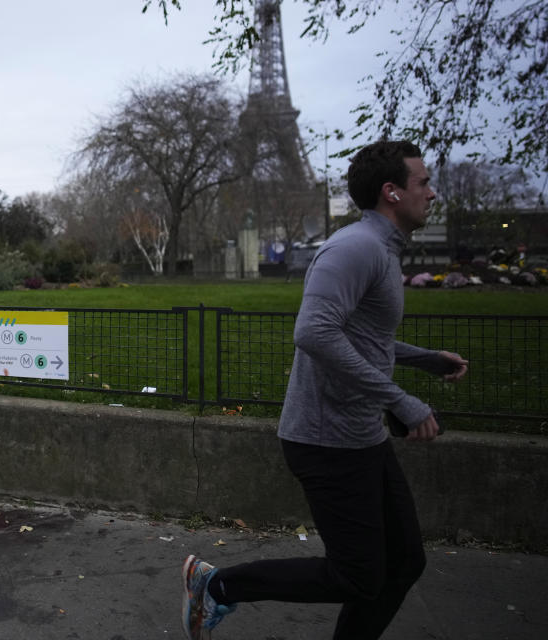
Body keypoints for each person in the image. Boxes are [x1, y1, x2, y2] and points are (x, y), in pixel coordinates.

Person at [181, 140, 469, 640]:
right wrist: (400, 400)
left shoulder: (378, 249)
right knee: (358, 575)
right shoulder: (355, 247)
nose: (433, 192)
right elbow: (314, 332)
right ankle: (219, 586)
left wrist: (425, 360)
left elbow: (361, 337)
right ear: (392, 192)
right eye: (423, 182)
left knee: (403, 564)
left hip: (360, 435)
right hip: (325, 440)